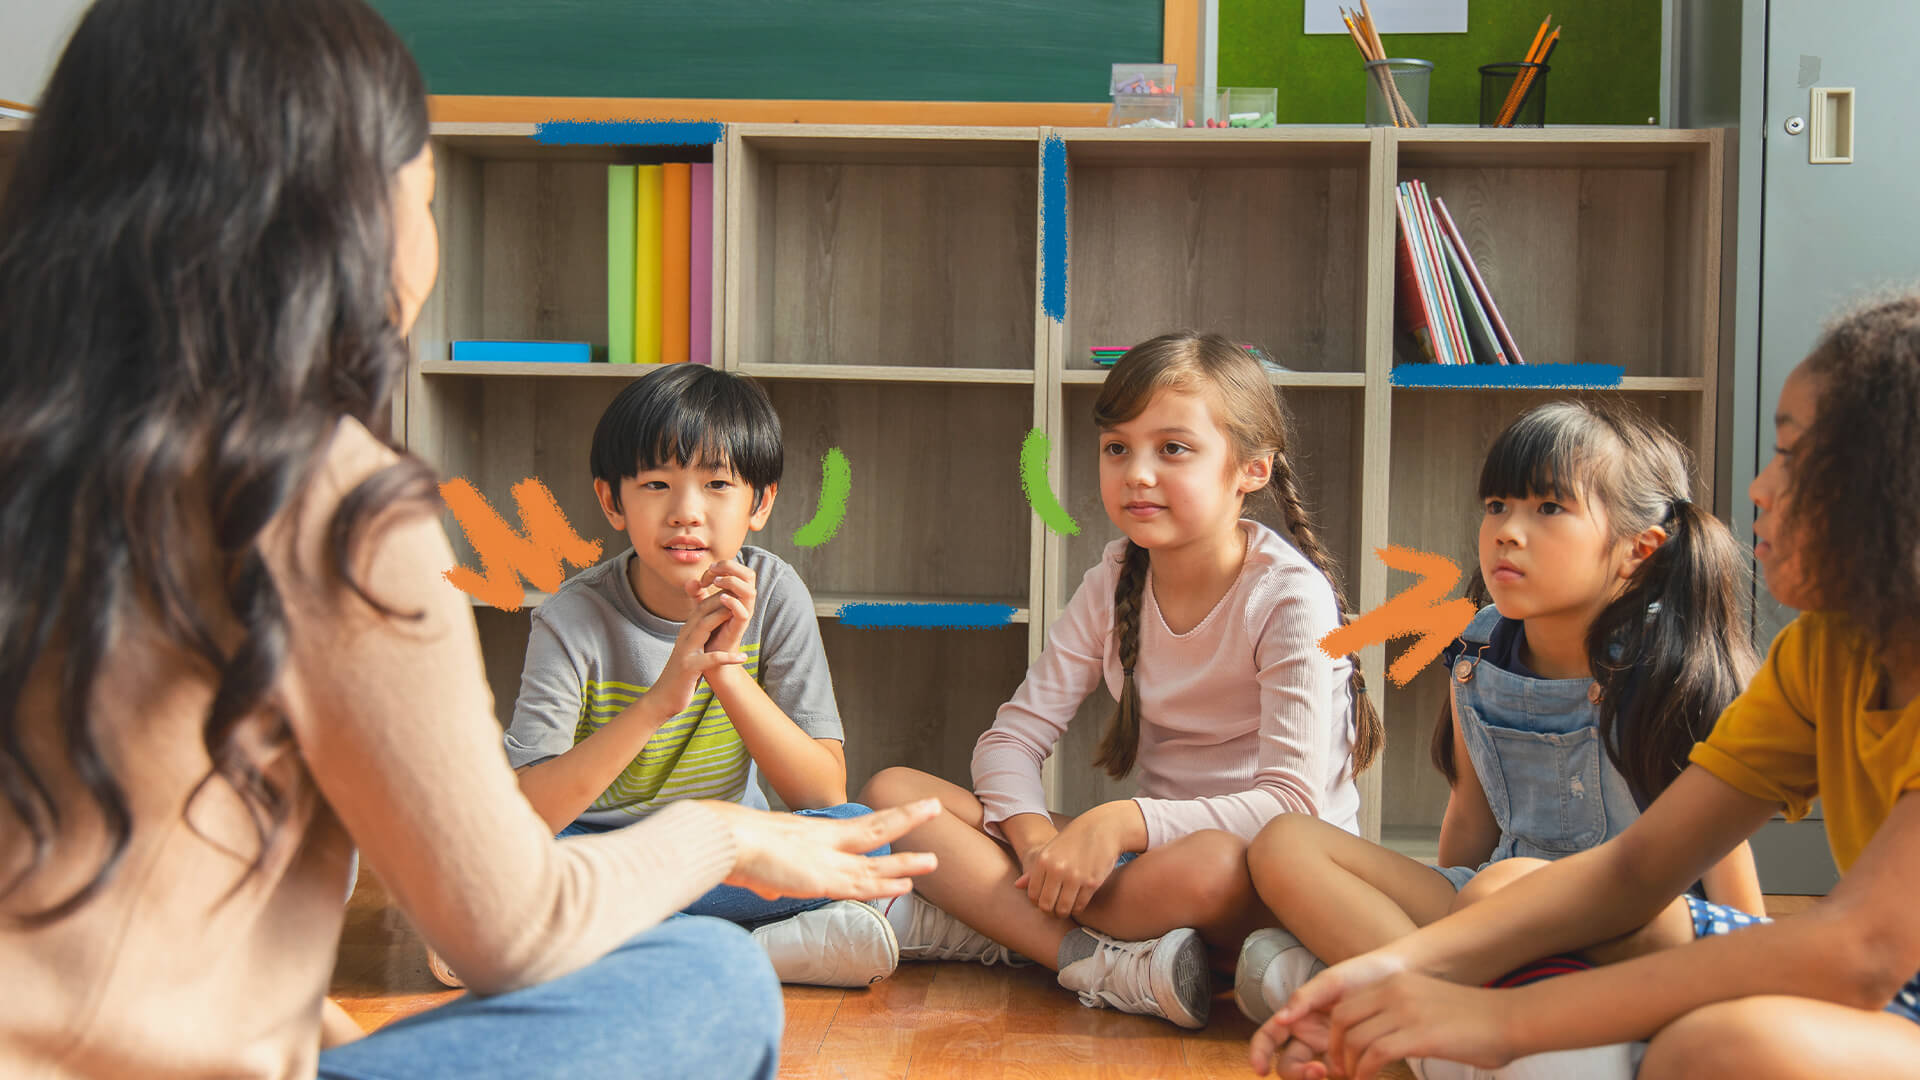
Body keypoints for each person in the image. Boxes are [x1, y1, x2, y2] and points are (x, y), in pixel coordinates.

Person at [0, 3, 935, 1077]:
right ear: (346, 222)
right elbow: (509, 925)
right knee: (707, 983)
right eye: (428, 197)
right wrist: (729, 834)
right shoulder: (331, 505)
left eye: (721, 485)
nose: (691, 510)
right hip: (557, 876)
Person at [1253, 294, 1920, 1080]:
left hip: (1882, 986)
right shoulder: (1824, 653)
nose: (1760, 489)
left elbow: (1860, 952)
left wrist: (1503, 1022)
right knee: (1522, 898)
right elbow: (1636, 872)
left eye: (1795, 456)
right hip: (1846, 981)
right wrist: (1391, 975)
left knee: (1719, 1048)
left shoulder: (1667, 665)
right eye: (1498, 505)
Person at [863, 331, 1381, 1029]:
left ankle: (999, 927)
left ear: (1250, 470)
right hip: (1141, 863)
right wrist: (1034, 843)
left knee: (1209, 865)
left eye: (1173, 449)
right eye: (1117, 448)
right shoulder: (1113, 579)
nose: (1137, 472)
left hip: (1249, 874)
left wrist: (1120, 821)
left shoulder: (1289, 597)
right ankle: (1103, 960)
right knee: (896, 795)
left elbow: (1288, 807)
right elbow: (1011, 740)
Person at [1237, 401, 1763, 1079]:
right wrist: (1438, 909)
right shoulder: (1478, 650)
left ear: (1638, 551)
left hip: (1628, 929)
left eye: (1549, 509)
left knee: (1504, 890)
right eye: (1496, 504)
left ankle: (1396, 1019)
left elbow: (1730, 883)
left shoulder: (1665, 670)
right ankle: (1427, 1015)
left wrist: (1734, 983)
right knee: (1285, 842)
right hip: (1494, 911)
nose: (1508, 532)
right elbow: (1471, 821)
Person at [471, 363, 897, 990]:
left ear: (762, 501)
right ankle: (754, 949)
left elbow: (821, 794)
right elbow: (531, 811)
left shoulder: (775, 593)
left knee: (862, 838)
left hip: (719, 856)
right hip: (600, 854)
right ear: (612, 501)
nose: (686, 513)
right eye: (656, 485)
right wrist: (660, 701)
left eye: (718, 483)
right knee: (497, 865)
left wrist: (725, 668)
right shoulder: (572, 616)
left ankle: (602, 944)